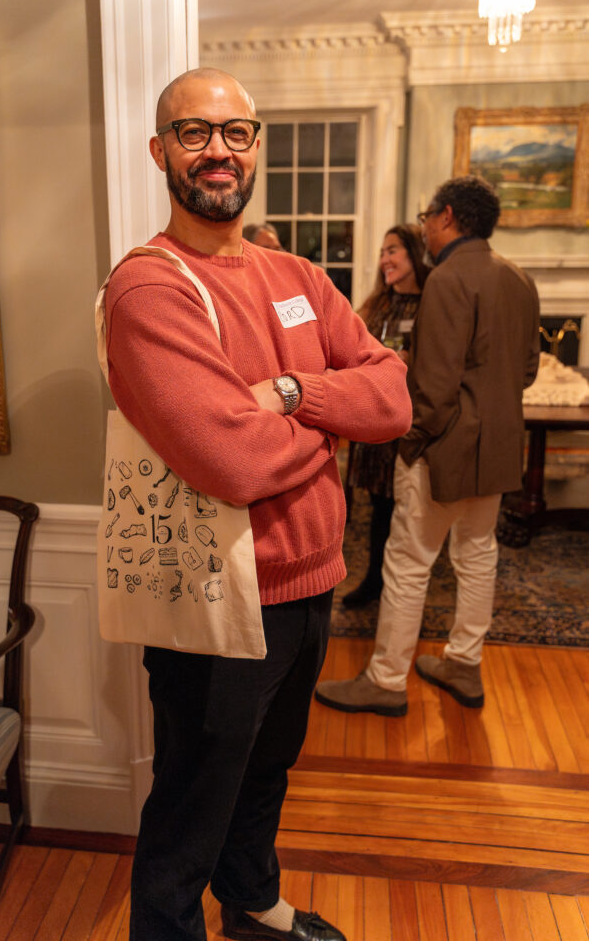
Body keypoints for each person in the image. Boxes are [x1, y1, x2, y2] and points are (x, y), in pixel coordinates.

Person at [103, 67, 412, 941]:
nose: (216, 151)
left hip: (310, 585)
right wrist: (330, 418)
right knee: (192, 802)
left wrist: (282, 392)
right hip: (216, 600)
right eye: (194, 133)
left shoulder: (299, 276)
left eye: (234, 133)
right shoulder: (149, 289)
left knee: (267, 771)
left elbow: (391, 397)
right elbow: (232, 461)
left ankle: (254, 906)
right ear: (160, 151)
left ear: (256, 147)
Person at [316, 175, 539, 717]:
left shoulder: (446, 280)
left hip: (442, 448)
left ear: (446, 217)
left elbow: (434, 389)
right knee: (478, 555)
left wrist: (410, 443)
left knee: (409, 562)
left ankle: (387, 680)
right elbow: (527, 371)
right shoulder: (519, 278)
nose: (424, 227)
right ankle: (464, 662)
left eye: (425, 218)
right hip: (502, 448)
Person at [343, 223, 429, 609]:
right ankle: (374, 579)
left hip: (412, 423)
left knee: (408, 511)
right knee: (378, 507)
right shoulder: (376, 305)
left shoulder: (432, 303)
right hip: (376, 419)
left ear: (414, 254)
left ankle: (403, 589)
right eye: (382, 252)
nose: (384, 260)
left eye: (393, 250)